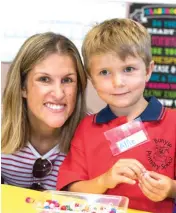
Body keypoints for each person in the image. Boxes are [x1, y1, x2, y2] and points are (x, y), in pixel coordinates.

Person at [57, 19, 176, 213]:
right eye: (104, 72)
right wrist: (105, 180)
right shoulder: (86, 128)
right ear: (92, 80)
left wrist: (171, 188)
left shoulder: (173, 123)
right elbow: (71, 190)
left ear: (148, 71)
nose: (118, 82)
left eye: (128, 69)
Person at [1, 32, 87, 190]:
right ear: (22, 87)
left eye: (67, 80)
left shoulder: (93, 135)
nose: (59, 93)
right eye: (44, 79)